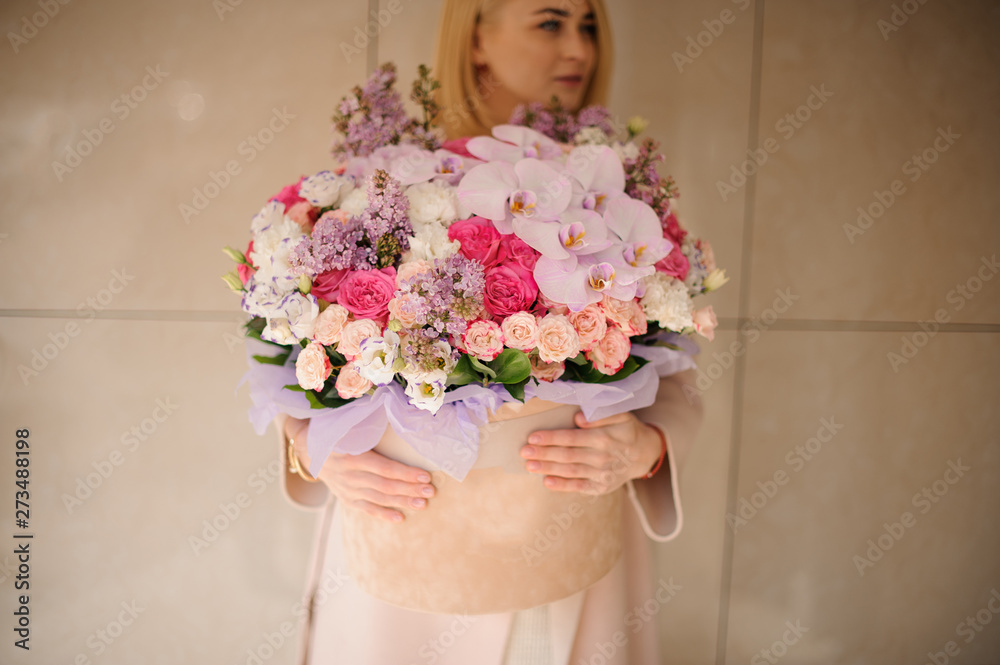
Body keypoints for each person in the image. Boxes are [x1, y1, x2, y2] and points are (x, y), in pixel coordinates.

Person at [272, 1, 704, 662]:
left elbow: (673, 358)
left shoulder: (614, 192)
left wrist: (645, 449)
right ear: (477, 36)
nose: (579, 50)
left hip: (568, 541)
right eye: (550, 21)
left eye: (589, 26)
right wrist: (316, 448)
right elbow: (294, 343)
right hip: (404, 554)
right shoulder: (389, 180)